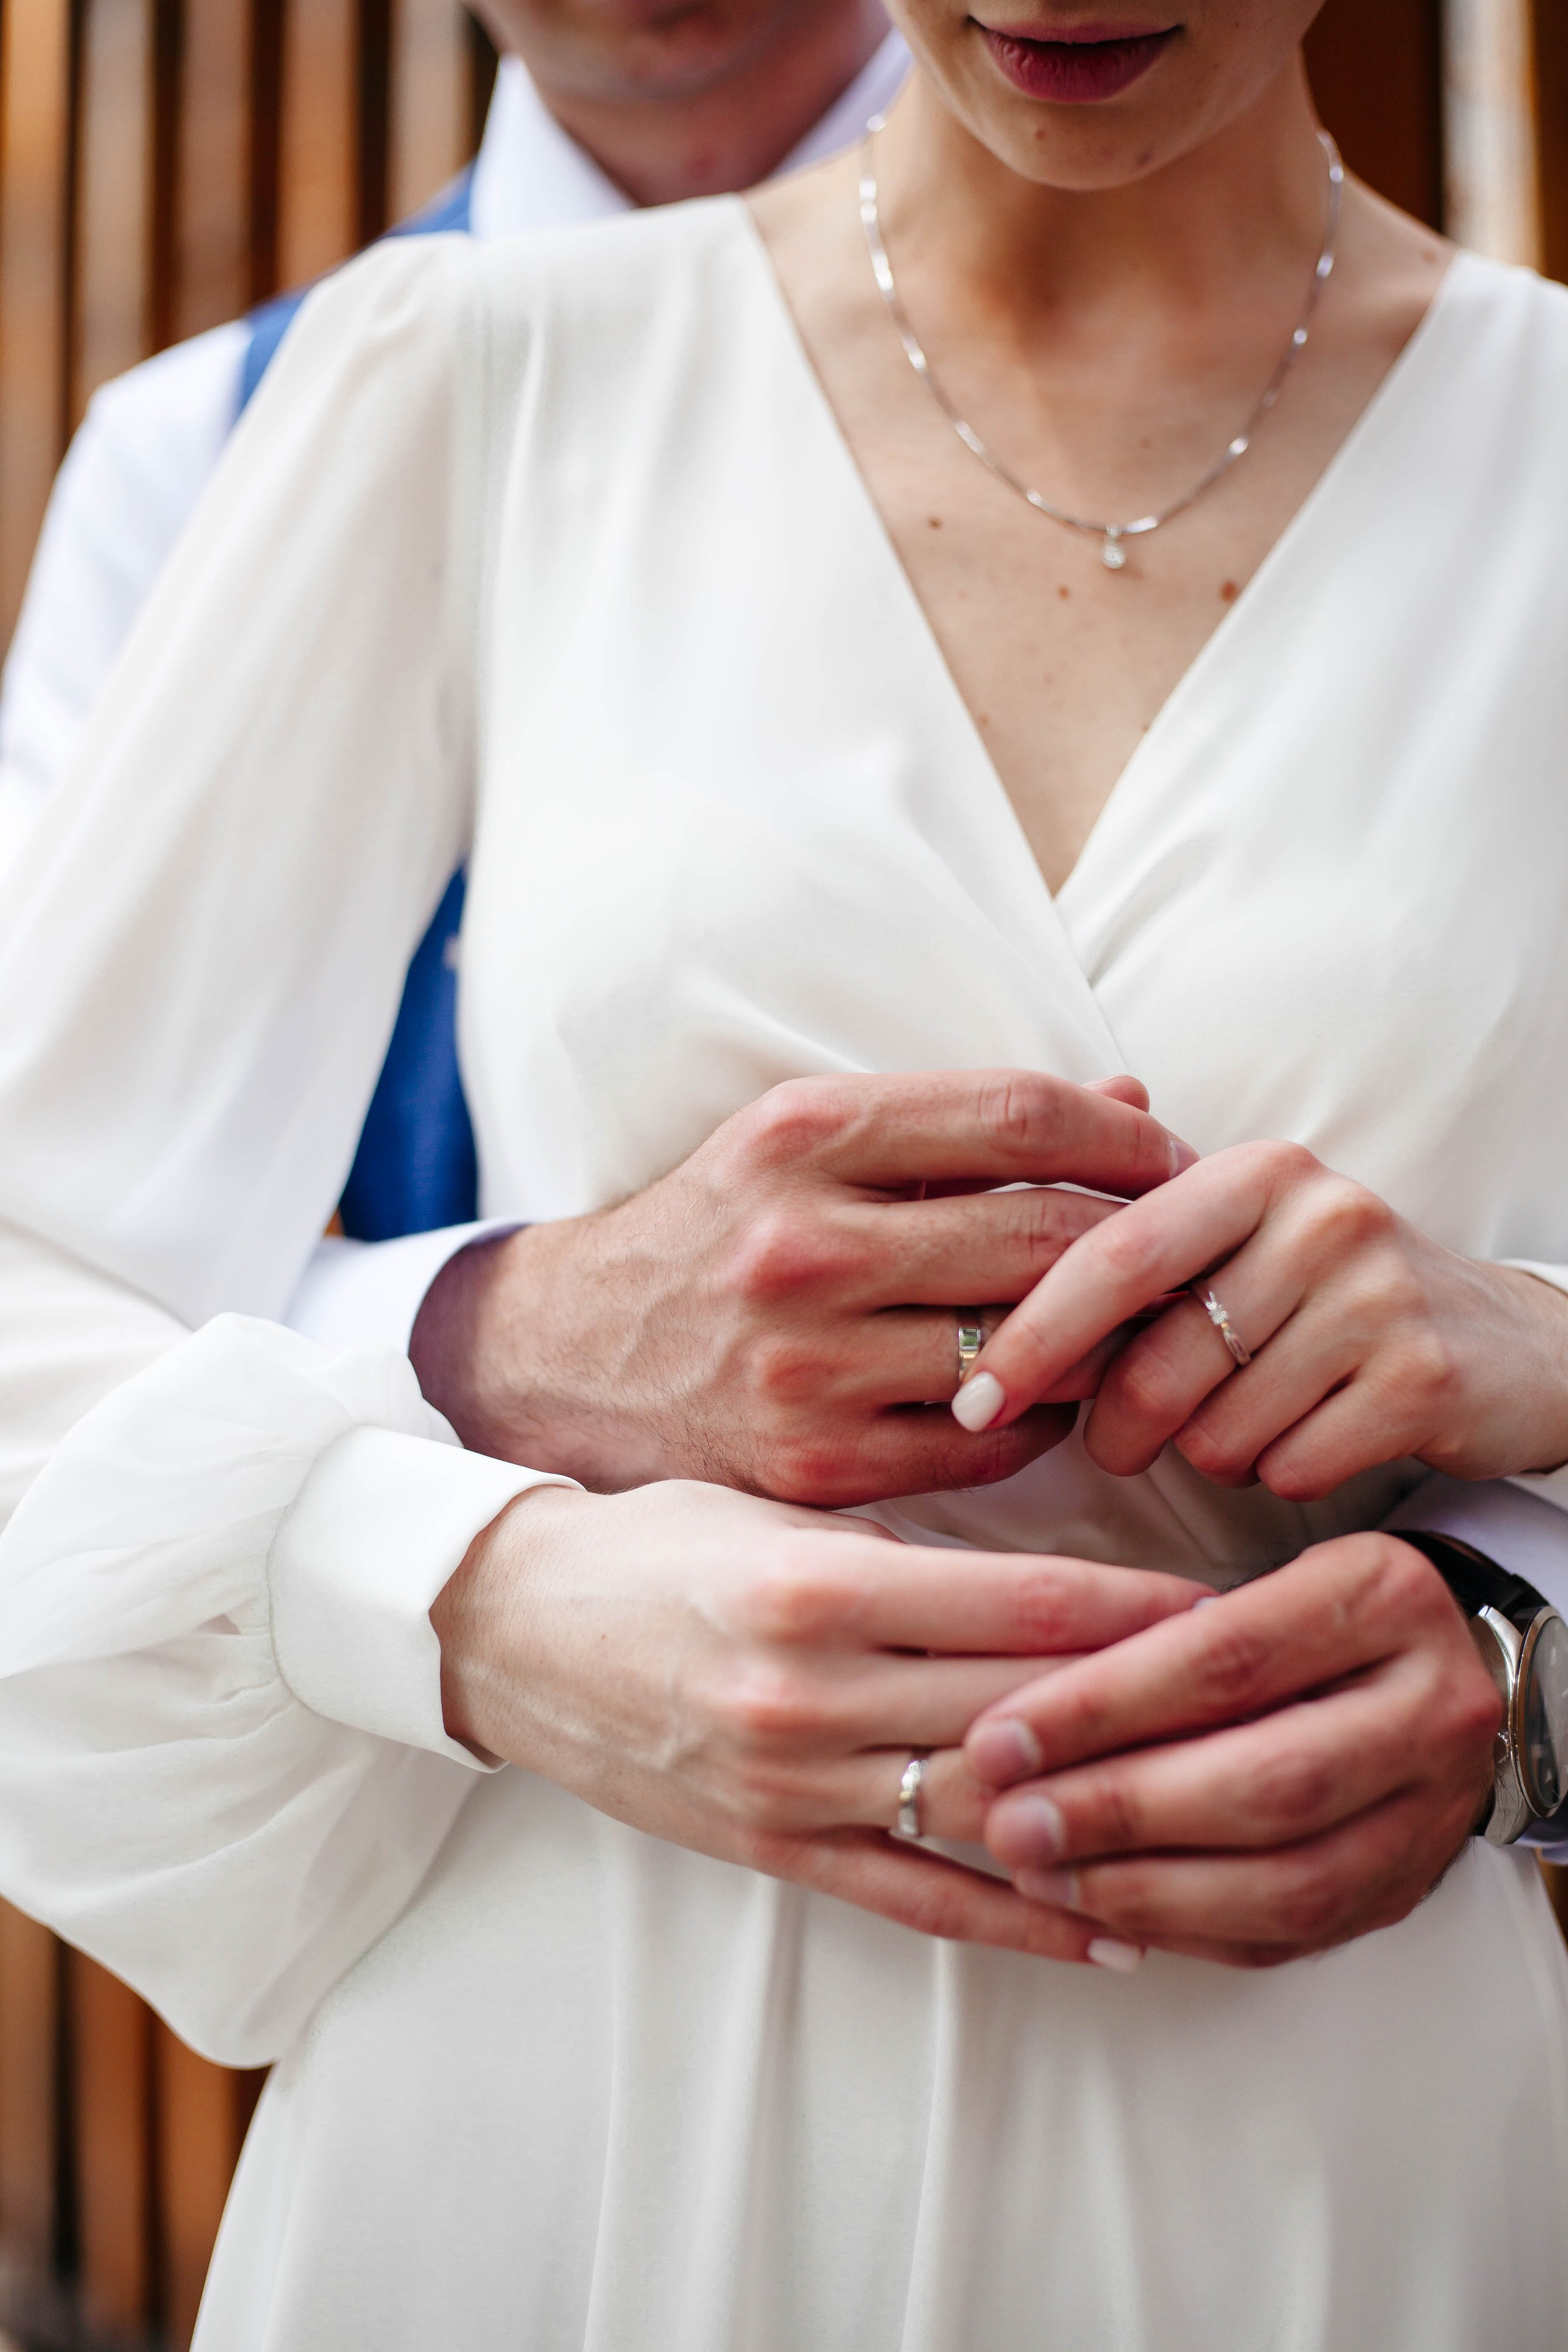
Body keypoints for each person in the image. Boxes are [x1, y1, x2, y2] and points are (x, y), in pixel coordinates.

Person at [2, 3, 1568, 2346]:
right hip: (565, 2126)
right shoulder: (474, 381)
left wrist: (1541, 1495)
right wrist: (482, 1603)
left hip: (1328, 2150)